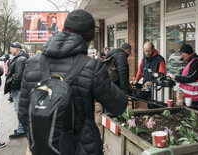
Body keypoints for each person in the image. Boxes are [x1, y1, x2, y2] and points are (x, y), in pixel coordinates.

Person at [18, 9, 127, 154]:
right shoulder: (91, 67)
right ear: (88, 39)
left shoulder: (32, 63)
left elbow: (23, 111)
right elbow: (119, 106)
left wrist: (41, 142)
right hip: (82, 148)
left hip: (43, 148)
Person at [167, 44, 198, 110]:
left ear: (187, 53)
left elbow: (191, 77)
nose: (181, 56)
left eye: (182, 53)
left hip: (195, 97)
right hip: (191, 96)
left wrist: (175, 77)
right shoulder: (192, 61)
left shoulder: (195, 62)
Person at [4, 42, 29, 139]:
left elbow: (18, 77)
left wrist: (12, 86)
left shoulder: (20, 59)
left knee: (19, 110)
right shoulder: (21, 58)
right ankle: (21, 128)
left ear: (17, 49)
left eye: (11, 49)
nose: (10, 50)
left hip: (18, 89)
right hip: (20, 88)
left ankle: (21, 130)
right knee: (20, 109)